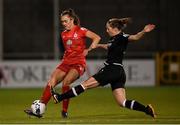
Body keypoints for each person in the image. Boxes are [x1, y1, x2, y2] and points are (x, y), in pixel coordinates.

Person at [50, 17, 157, 118]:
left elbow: (135, 37)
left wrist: (143, 31)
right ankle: (146, 109)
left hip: (111, 69)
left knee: (84, 85)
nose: (106, 30)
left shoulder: (122, 37)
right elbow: (108, 46)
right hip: (119, 72)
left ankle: (59, 97)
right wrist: (99, 45)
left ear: (115, 29)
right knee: (122, 102)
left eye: (108, 28)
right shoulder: (113, 39)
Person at [24, 8, 101, 118]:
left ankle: (64, 111)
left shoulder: (81, 30)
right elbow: (68, 49)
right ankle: (40, 109)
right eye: (62, 22)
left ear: (72, 19)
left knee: (66, 82)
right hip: (66, 62)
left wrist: (88, 49)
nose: (64, 24)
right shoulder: (63, 34)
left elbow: (97, 37)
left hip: (78, 63)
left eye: (66, 21)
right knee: (51, 82)